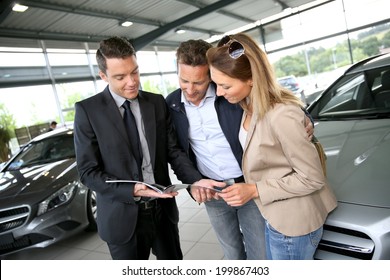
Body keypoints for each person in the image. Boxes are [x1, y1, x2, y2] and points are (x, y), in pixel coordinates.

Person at [73, 36, 224, 260]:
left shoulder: (155, 103)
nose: (132, 81)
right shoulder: (88, 111)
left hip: (163, 212)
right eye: (120, 77)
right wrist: (131, 190)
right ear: (103, 76)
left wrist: (195, 180)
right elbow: (87, 173)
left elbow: (173, 151)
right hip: (122, 218)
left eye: (134, 72)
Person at [166, 39, 314, 260]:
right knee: (232, 253)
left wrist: (305, 118)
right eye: (183, 80)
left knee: (261, 253)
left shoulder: (230, 92)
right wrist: (194, 182)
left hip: (248, 184)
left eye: (198, 82)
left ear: (211, 73)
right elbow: (175, 150)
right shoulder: (171, 104)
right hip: (213, 192)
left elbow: (270, 98)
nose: (190, 89)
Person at [206, 33, 337, 260]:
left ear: (252, 79)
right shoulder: (247, 106)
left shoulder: (282, 115)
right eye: (215, 84)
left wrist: (254, 189)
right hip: (274, 215)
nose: (218, 92)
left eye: (224, 85)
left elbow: (312, 178)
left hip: (293, 225)